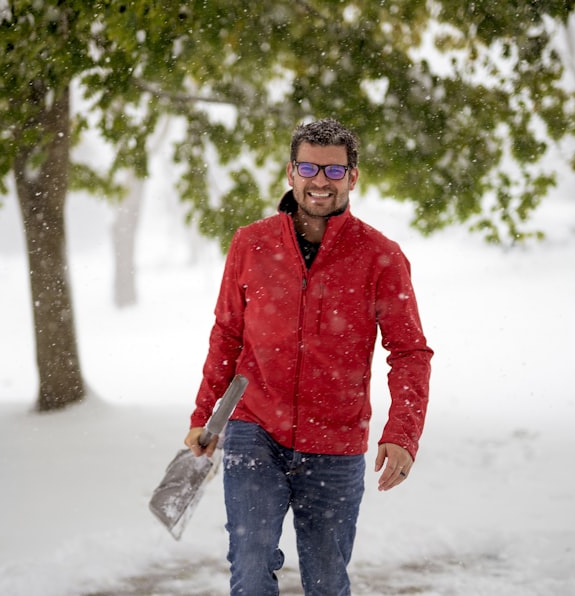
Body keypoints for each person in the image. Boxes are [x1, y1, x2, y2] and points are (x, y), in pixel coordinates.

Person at [185, 118, 433, 595]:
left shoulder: (381, 256)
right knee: (251, 567)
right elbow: (227, 336)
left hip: (335, 443)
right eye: (308, 168)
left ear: (353, 177)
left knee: (325, 581)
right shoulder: (250, 244)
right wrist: (205, 415)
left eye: (334, 171)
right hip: (255, 431)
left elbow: (409, 352)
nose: (320, 181)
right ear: (290, 172)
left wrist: (403, 433)